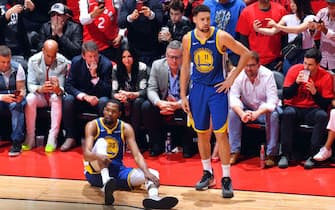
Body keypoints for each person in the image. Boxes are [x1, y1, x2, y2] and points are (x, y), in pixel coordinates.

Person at [180, 5, 251, 197]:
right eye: (202, 19)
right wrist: (182, 95)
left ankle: (226, 177)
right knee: (202, 134)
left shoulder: (220, 36)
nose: (206, 22)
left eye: (208, 19)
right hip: (197, 91)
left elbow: (246, 53)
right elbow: (185, 67)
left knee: (221, 134)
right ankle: (207, 173)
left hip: (217, 90)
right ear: (194, 19)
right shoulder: (188, 39)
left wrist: (231, 79)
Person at [83, 99, 179, 209]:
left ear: (119, 114)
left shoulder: (125, 128)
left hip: (117, 171)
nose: (109, 114)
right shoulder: (93, 125)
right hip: (95, 173)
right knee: (101, 142)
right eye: (107, 110)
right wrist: (99, 157)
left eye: (113, 112)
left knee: (153, 173)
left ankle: (153, 198)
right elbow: (86, 154)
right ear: (103, 110)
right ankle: (106, 183)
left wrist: (146, 172)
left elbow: (137, 155)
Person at [278, 48, 334, 169]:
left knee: (322, 116)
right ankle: (285, 154)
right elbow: (285, 95)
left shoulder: (326, 76)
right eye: (305, 63)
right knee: (287, 114)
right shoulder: (294, 70)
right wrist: (296, 84)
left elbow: (326, 105)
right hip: (294, 107)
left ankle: (313, 155)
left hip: (312, 110)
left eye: (310, 65)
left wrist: (314, 92)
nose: (306, 67)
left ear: (318, 65)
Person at [142, 40, 197, 158]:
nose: (174, 61)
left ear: (183, 56)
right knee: (146, 106)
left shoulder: (191, 68)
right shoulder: (157, 65)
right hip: (163, 103)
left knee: (195, 104)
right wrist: (159, 103)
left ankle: (188, 145)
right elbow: (151, 89)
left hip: (183, 104)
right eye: (171, 57)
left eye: (177, 57)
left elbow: (194, 93)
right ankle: (156, 144)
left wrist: (178, 104)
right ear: (166, 56)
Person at [228, 51, 280, 167]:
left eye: (251, 65)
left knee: (273, 115)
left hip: (263, 110)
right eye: (246, 65)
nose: (248, 69)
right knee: (232, 113)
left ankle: (272, 154)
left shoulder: (268, 75)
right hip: (247, 109)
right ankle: (234, 151)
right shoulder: (238, 74)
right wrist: (242, 113)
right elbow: (233, 97)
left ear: (258, 65)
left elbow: (272, 101)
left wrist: (257, 113)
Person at [63, 41, 111, 151]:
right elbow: (69, 85)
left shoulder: (106, 64)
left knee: (104, 101)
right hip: (82, 98)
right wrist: (84, 96)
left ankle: (100, 140)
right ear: (84, 56)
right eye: (90, 56)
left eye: (95, 56)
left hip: (98, 98)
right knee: (68, 100)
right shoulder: (76, 62)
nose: (93, 59)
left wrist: (95, 77)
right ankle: (71, 137)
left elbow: (107, 91)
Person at [22, 39, 70, 153]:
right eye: (48, 56)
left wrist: (58, 89)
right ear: (43, 51)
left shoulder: (63, 61)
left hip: (54, 96)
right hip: (41, 95)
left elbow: (62, 89)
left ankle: (52, 138)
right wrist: (40, 88)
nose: (51, 59)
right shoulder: (33, 60)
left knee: (56, 98)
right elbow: (30, 85)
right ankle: (30, 137)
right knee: (30, 98)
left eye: (54, 56)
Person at [253, 0, 315, 75]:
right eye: (291, 2)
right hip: (291, 53)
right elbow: (272, 31)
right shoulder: (287, 18)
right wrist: (258, 29)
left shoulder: (311, 18)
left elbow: (298, 30)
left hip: (305, 54)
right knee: (288, 78)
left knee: (304, 79)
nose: (291, 5)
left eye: (294, 3)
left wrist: (277, 25)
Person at [112, 44, 149, 152]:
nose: (126, 60)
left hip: (138, 97)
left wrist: (132, 95)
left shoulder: (142, 67)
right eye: (124, 57)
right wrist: (119, 96)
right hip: (124, 98)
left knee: (137, 103)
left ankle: (135, 140)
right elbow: (113, 91)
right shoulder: (116, 68)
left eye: (129, 56)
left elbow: (145, 90)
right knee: (114, 103)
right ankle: (116, 140)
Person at [236, 0, 287, 71]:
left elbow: (285, 37)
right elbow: (243, 40)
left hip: (275, 61)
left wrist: (282, 59)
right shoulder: (246, 12)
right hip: (254, 62)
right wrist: (248, 60)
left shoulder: (281, 10)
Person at [118, 0, 163, 66]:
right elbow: (120, 23)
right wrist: (130, 18)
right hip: (133, 49)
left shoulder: (155, 2)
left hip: (152, 49)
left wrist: (151, 15)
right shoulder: (128, 3)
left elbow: (160, 21)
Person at [0, 45, 26, 156]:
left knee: (16, 105)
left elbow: (22, 88)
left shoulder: (18, 67)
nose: (6, 65)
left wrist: (21, 95)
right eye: (2, 62)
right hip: (1, 97)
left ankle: (16, 142)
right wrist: (1, 97)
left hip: (13, 96)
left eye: (8, 61)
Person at [203, 0, 246, 66]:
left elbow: (243, 34)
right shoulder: (207, 4)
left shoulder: (240, 5)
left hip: (233, 53)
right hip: (211, 51)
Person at [309, 0, 335, 72]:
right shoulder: (322, 12)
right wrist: (312, 28)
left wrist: (324, 29)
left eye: (333, 4)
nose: (330, 6)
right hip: (323, 57)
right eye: (328, 3)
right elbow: (314, 24)